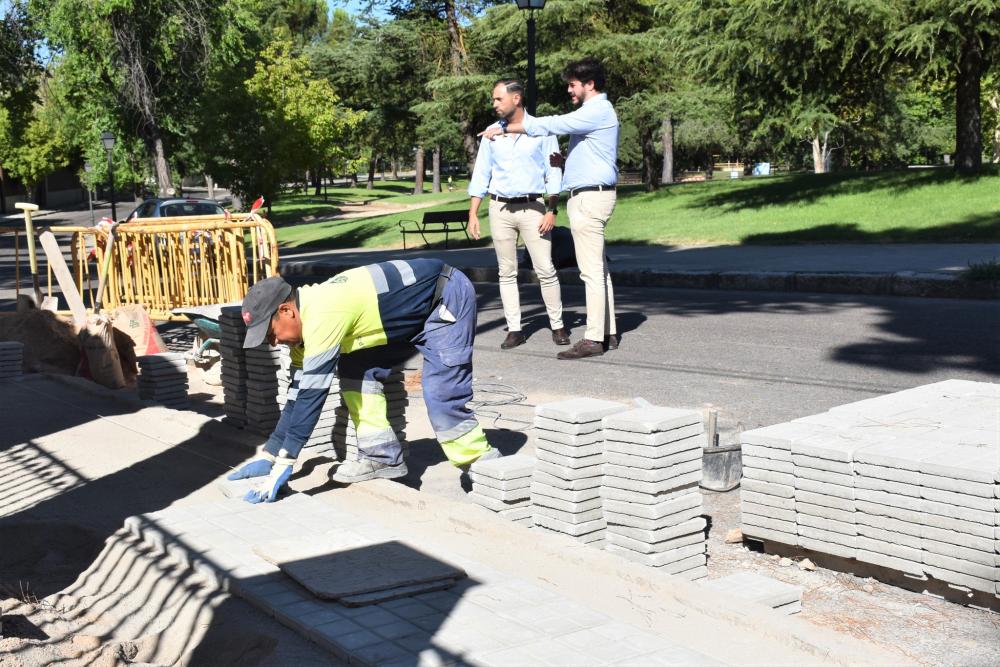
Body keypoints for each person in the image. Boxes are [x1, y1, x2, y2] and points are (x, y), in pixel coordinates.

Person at [227, 260, 500, 503]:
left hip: (444, 298)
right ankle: (381, 457)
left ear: (286, 311)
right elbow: (297, 395)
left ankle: (482, 464)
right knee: (354, 369)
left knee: (441, 390)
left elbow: (312, 399)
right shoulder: (302, 330)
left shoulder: (323, 314)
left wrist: (285, 463)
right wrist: (270, 453)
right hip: (406, 314)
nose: (274, 343)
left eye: (271, 334)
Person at [481, 57, 618, 360]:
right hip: (590, 194)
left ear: (589, 84)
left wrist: (508, 130)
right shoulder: (596, 113)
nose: (569, 90)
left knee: (591, 272)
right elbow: (593, 159)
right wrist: (566, 164)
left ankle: (594, 338)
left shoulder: (596, 110)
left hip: (591, 199)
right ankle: (609, 331)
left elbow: (555, 123)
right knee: (600, 270)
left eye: (573, 84)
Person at [468, 78, 569, 350]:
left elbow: (554, 172)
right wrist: (473, 213)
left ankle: (557, 325)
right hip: (499, 208)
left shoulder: (543, 131)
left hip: (534, 208)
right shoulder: (491, 133)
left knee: (545, 269)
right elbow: (482, 174)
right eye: (493, 99)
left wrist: (552, 209)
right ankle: (515, 329)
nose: (494, 104)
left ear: (517, 98)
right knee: (506, 272)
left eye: (498, 99)